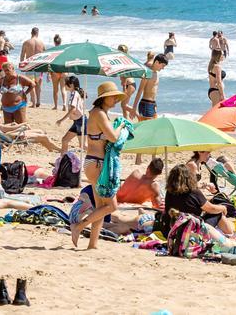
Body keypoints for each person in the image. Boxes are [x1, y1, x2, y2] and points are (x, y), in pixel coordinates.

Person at [74, 81, 125, 250]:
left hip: (93, 162)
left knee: (101, 207)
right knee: (111, 206)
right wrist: (122, 126)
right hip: (97, 163)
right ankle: (79, 226)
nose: (116, 100)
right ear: (104, 98)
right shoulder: (100, 114)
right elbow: (113, 137)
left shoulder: (97, 113)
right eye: (113, 97)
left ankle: (92, 244)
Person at [164, 164, 233, 236]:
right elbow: (212, 208)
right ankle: (230, 235)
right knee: (218, 213)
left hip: (173, 229)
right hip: (191, 230)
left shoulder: (169, 192)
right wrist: (223, 208)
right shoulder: (193, 192)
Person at [56, 76, 87, 153]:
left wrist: (61, 120)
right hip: (77, 121)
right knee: (65, 140)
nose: (64, 86)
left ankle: (101, 156)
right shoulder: (76, 93)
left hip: (81, 122)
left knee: (83, 145)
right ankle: (62, 161)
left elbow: (73, 109)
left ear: (71, 85)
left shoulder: (74, 94)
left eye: (66, 84)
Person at [131, 55, 167, 121]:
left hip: (153, 104)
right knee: (146, 128)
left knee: (153, 128)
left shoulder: (156, 74)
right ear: (156, 62)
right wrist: (134, 108)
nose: (163, 68)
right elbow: (140, 91)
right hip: (146, 104)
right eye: (162, 65)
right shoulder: (148, 73)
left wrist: (155, 105)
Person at [19, 28, 47, 107]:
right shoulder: (41, 43)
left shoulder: (26, 42)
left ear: (31, 33)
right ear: (38, 33)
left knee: (31, 84)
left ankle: (34, 103)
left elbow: (22, 55)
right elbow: (45, 56)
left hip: (29, 65)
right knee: (38, 84)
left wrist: (22, 66)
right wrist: (45, 67)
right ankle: (38, 101)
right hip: (39, 66)